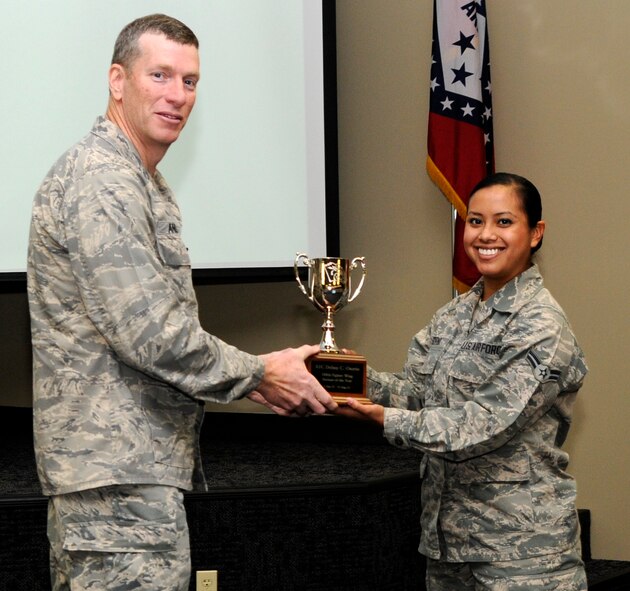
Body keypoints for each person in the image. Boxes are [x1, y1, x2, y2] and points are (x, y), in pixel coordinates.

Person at [27, 14, 337, 591]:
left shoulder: (141, 180)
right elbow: (150, 334)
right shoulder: (104, 181)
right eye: (160, 75)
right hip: (116, 490)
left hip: (127, 478)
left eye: (190, 81)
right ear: (118, 81)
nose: (177, 96)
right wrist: (261, 373)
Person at [336, 172, 588, 590]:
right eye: (475, 221)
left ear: (536, 232)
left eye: (504, 222)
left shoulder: (542, 325)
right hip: (449, 548)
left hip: (522, 556)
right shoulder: (454, 315)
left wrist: (383, 418)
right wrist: (351, 378)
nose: (486, 234)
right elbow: (417, 394)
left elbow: (482, 426)